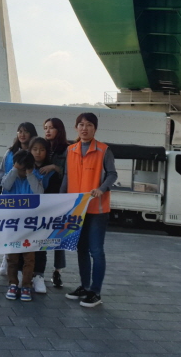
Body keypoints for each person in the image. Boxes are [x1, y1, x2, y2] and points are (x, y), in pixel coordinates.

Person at [63, 113, 117, 308]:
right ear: (76, 127)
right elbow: (67, 176)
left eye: (89, 125)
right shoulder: (71, 150)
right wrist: (60, 200)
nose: (84, 128)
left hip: (97, 209)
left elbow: (112, 174)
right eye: (81, 124)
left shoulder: (103, 150)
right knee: (81, 249)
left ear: (95, 128)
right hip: (77, 209)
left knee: (96, 250)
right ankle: (85, 287)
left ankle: (95, 291)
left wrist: (101, 189)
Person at [2, 150, 44, 302]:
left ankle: (26, 285)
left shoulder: (35, 177)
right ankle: (13, 284)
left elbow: (39, 193)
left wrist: (30, 174)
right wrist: (14, 169)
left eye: (24, 168)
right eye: (19, 167)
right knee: (12, 258)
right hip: (13, 225)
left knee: (29, 258)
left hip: (30, 226)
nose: (21, 171)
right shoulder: (10, 175)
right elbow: (5, 186)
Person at [34, 118, 70, 290]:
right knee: (41, 234)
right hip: (43, 196)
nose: (48, 131)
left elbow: (69, 173)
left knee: (58, 236)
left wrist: (55, 167)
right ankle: (37, 271)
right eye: (45, 127)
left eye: (52, 128)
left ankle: (57, 271)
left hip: (60, 197)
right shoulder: (43, 147)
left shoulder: (67, 149)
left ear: (59, 130)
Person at [29, 136, 65, 293]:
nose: (38, 152)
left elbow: (53, 194)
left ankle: (39, 275)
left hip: (44, 215)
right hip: (25, 215)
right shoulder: (24, 168)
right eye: (35, 149)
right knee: (24, 245)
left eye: (42, 149)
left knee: (40, 246)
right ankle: (22, 274)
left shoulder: (51, 172)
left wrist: (56, 169)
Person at [0, 122, 38, 194]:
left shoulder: (36, 153)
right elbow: (2, 172)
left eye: (26, 132)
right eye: (20, 132)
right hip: (10, 194)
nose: (22, 135)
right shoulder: (9, 152)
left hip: (30, 194)